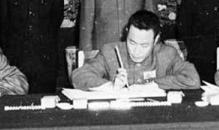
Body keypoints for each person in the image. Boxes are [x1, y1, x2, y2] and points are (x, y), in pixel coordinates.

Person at [72, 10, 200, 90]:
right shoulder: (110, 51)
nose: (136, 51)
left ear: (156, 39)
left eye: (144, 45)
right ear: (127, 32)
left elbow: (193, 79)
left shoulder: (167, 54)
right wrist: (110, 86)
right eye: (132, 42)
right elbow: (79, 76)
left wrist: (153, 85)